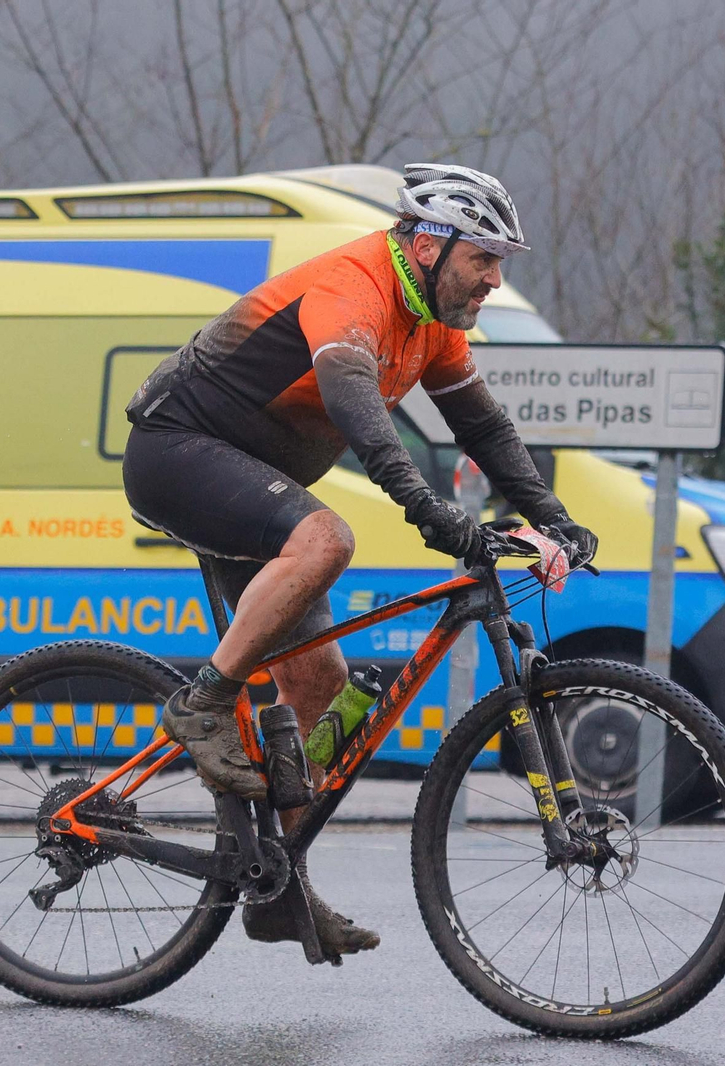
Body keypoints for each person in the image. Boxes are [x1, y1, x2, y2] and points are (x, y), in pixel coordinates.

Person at [123, 163, 597, 958]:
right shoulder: (354, 288)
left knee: (322, 688)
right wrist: (432, 512)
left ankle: (280, 890)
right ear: (428, 243)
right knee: (329, 539)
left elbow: (483, 429)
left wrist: (553, 516)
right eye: (482, 257)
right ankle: (203, 703)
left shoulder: (434, 323)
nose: (492, 278)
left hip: (253, 483)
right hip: (177, 452)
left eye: (499, 261)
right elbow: (360, 414)